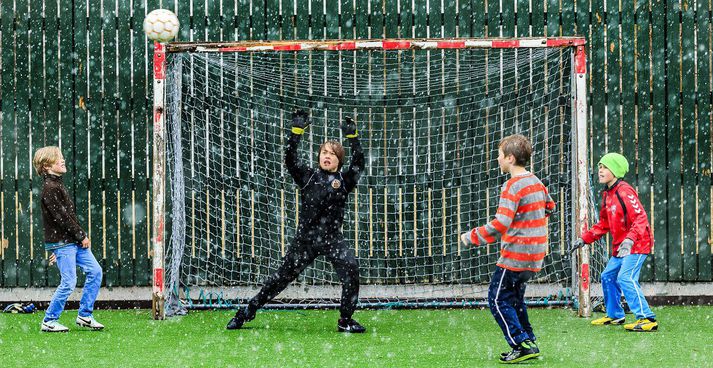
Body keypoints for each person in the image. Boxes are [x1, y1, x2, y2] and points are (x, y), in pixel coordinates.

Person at [227, 110, 366, 333]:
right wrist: (296, 132)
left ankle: (345, 320)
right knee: (279, 280)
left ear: (339, 160)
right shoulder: (308, 176)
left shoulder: (345, 180)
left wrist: (353, 138)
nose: (326, 156)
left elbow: (359, 162)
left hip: (332, 239)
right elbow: (290, 160)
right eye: (323, 152)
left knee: (351, 268)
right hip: (306, 240)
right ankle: (247, 312)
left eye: (332, 153)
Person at [460, 134, 555, 363]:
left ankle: (520, 343)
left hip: (515, 256)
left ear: (510, 158)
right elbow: (550, 207)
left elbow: (501, 223)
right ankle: (529, 340)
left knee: (496, 299)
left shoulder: (512, 186)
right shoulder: (536, 182)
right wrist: (530, 223)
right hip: (535, 256)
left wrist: (472, 237)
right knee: (515, 300)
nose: (497, 159)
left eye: (500, 155)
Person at [568, 153, 657, 332]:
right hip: (621, 247)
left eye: (605, 167)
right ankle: (615, 315)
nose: (600, 170)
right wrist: (584, 239)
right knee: (607, 276)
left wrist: (630, 240)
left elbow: (641, 217)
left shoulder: (625, 190)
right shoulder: (608, 194)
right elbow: (604, 224)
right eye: (600, 166)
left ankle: (647, 318)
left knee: (626, 277)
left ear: (615, 171)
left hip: (637, 244)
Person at [33, 146, 104, 332]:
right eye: (58, 159)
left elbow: (67, 216)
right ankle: (49, 320)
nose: (63, 161)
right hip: (64, 243)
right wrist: (81, 235)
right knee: (69, 282)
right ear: (47, 165)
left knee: (95, 272)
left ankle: (85, 315)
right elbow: (62, 218)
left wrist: (77, 237)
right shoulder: (50, 188)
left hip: (71, 242)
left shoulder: (57, 185)